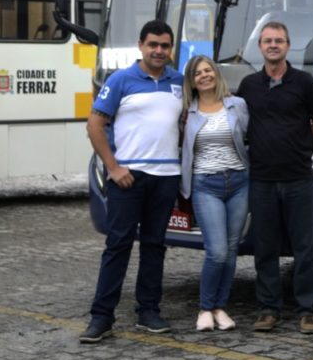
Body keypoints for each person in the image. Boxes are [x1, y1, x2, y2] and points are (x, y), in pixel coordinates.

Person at [79, 19, 184, 343]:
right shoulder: (121, 80)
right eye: (153, 44)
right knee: (118, 245)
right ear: (141, 46)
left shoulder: (179, 82)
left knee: (155, 247)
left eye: (165, 46)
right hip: (128, 178)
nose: (159, 51)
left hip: (165, 178)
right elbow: (95, 125)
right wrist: (113, 167)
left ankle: (148, 311)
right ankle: (101, 317)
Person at [237, 21, 313, 335]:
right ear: (260, 47)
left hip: (298, 178)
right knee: (265, 247)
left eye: (279, 40)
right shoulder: (249, 85)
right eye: (268, 41)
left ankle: (308, 310)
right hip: (262, 179)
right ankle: (269, 309)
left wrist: (300, 142)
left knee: (305, 247)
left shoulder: (303, 82)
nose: (273, 45)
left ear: (288, 46)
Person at [180, 56, 249, 332]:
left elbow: (251, 137)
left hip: (240, 182)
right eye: (198, 73)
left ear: (216, 74)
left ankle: (221, 307)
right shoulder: (186, 112)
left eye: (208, 70)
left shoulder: (238, 105)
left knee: (232, 251)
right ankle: (205, 308)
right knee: (217, 251)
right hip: (205, 184)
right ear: (192, 81)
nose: (204, 75)